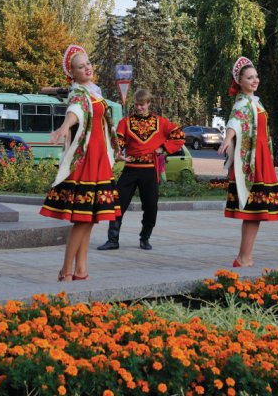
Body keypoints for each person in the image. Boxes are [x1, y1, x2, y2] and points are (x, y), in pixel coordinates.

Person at [40, 45, 120, 281]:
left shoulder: (94, 92)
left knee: (92, 217)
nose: (87, 68)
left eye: (88, 64)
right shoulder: (79, 94)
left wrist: (115, 149)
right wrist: (65, 127)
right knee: (83, 219)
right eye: (81, 66)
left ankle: (81, 269)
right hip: (86, 160)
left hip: (99, 158)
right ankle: (66, 270)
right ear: (72, 74)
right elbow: (75, 111)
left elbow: (105, 126)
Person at [216, 56, 278, 268]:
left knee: (256, 213)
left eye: (256, 77)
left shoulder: (255, 102)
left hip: (262, 157)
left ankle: (245, 256)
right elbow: (234, 122)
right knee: (253, 211)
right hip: (254, 161)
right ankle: (243, 257)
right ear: (240, 81)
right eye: (249, 78)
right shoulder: (243, 103)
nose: (255, 80)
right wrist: (227, 140)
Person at [96, 88, 185, 251]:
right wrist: (119, 153)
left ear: (149, 103)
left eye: (142, 105)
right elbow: (119, 142)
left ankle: (145, 238)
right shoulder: (126, 122)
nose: (139, 108)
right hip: (130, 169)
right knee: (118, 204)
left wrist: (163, 148)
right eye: (136, 105)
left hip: (150, 170)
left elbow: (179, 136)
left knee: (151, 206)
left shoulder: (161, 122)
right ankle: (113, 240)